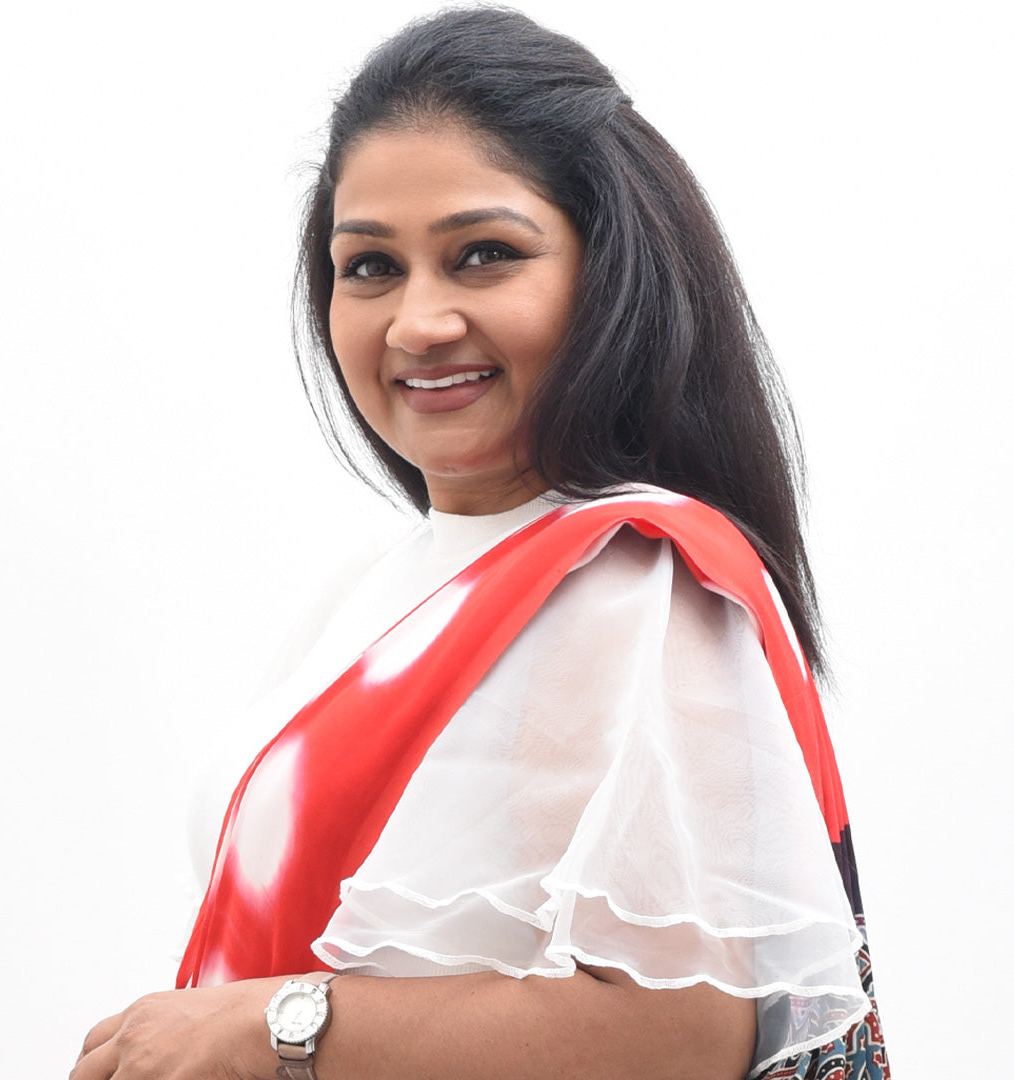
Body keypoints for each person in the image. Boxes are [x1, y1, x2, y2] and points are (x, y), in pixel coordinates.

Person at [72, 8, 888, 1080]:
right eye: (370, 266)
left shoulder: (633, 578)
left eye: (484, 255)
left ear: (609, 271)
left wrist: (262, 1024)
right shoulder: (383, 587)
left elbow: (683, 1029)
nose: (418, 322)